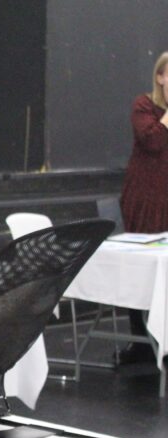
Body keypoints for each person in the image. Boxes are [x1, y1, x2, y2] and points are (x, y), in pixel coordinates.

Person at [118, 51, 168, 363]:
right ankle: (140, 341)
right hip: (144, 199)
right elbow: (152, 141)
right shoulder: (144, 106)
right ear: (160, 77)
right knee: (141, 271)